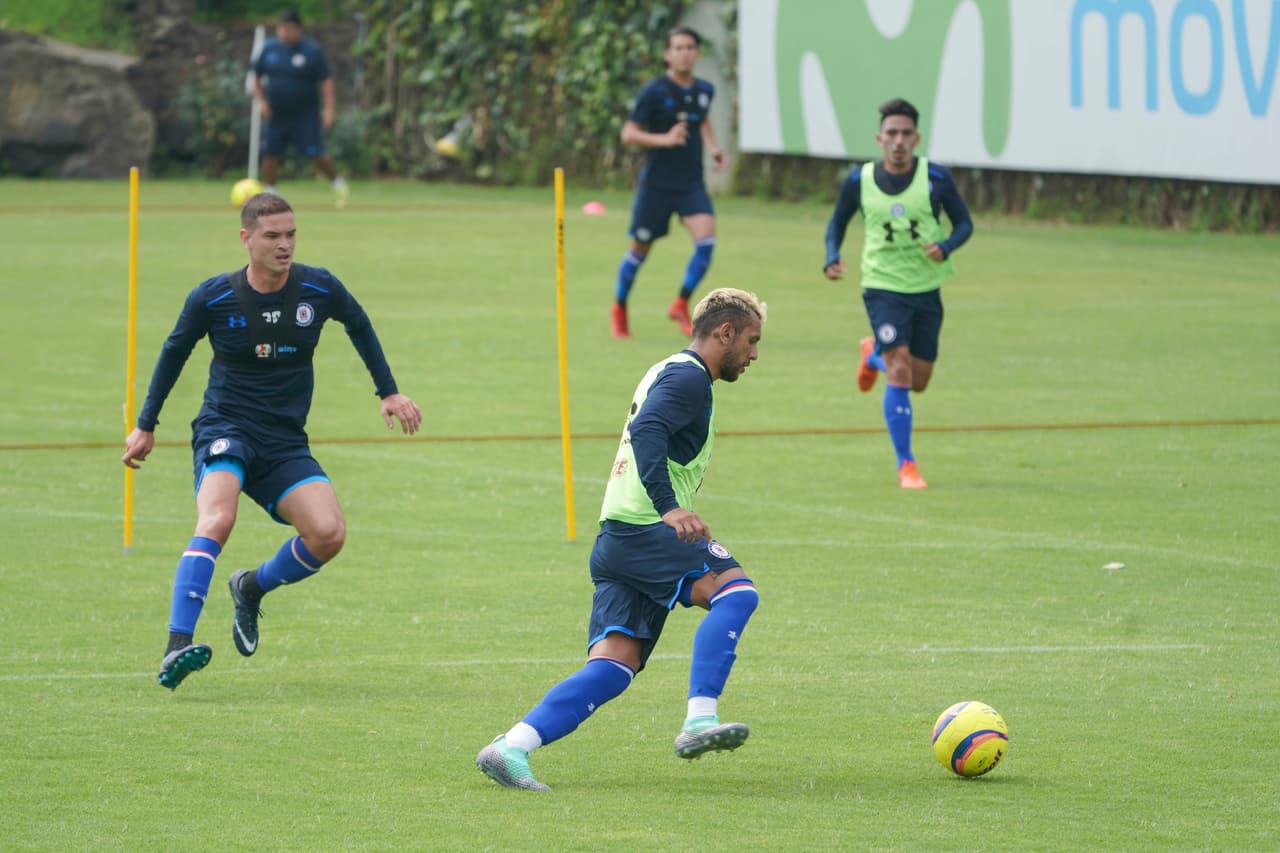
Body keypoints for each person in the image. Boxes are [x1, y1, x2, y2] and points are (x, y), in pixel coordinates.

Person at [122, 192, 422, 690]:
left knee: (328, 535)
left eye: (291, 234)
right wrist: (145, 423)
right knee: (218, 517)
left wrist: (388, 391)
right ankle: (177, 644)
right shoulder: (213, 297)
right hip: (225, 427)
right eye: (272, 236)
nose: (284, 245)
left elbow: (359, 323)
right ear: (247, 239)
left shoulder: (317, 288)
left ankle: (251, 586)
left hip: (284, 441)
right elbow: (174, 351)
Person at [477, 287, 766, 791]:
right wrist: (670, 507)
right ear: (725, 333)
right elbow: (648, 428)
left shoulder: (668, 368)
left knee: (615, 666)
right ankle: (700, 718)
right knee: (737, 594)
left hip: (617, 537)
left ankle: (511, 747)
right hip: (645, 528)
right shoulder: (689, 377)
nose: (754, 354)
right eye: (751, 340)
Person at [822, 98, 973, 489]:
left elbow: (964, 224)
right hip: (881, 286)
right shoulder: (860, 180)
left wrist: (946, 246)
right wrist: (831, 256)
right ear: (879, 138)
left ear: (916, 137)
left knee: (917, 380)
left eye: (906, 134)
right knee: (901, 366)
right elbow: (837, 222)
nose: (899, 141)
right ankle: (907, 464)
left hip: (926, 288)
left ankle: (872, 355)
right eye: (892, 133)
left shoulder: (936, 178)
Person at [611, 26, 726, 339]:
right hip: (657, 186)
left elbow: (699, 117)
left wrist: (714, 147)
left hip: (691, 183)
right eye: (677, 47)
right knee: (640, 250)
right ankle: (619, 307)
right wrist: (665, 139)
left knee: (707, 242)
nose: (684, 52)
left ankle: (680, 302)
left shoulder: (704, 89)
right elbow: (629, 134)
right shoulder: (654, 91)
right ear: (667, 54)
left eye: (690, 47)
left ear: (697, 53)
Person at [251, 8, 350, 208]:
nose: (285, 32)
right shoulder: (269, 49)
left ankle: (337, 183)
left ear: (299, 30)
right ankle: (271, 192)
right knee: (270, 152)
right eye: (282, 28)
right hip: (277, 114)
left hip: (305, 114)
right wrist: (261, 102)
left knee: (316, 153)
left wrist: (329, 109)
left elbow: (326, 80)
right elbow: (255, 77)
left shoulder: (311, 51)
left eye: (290, 29)